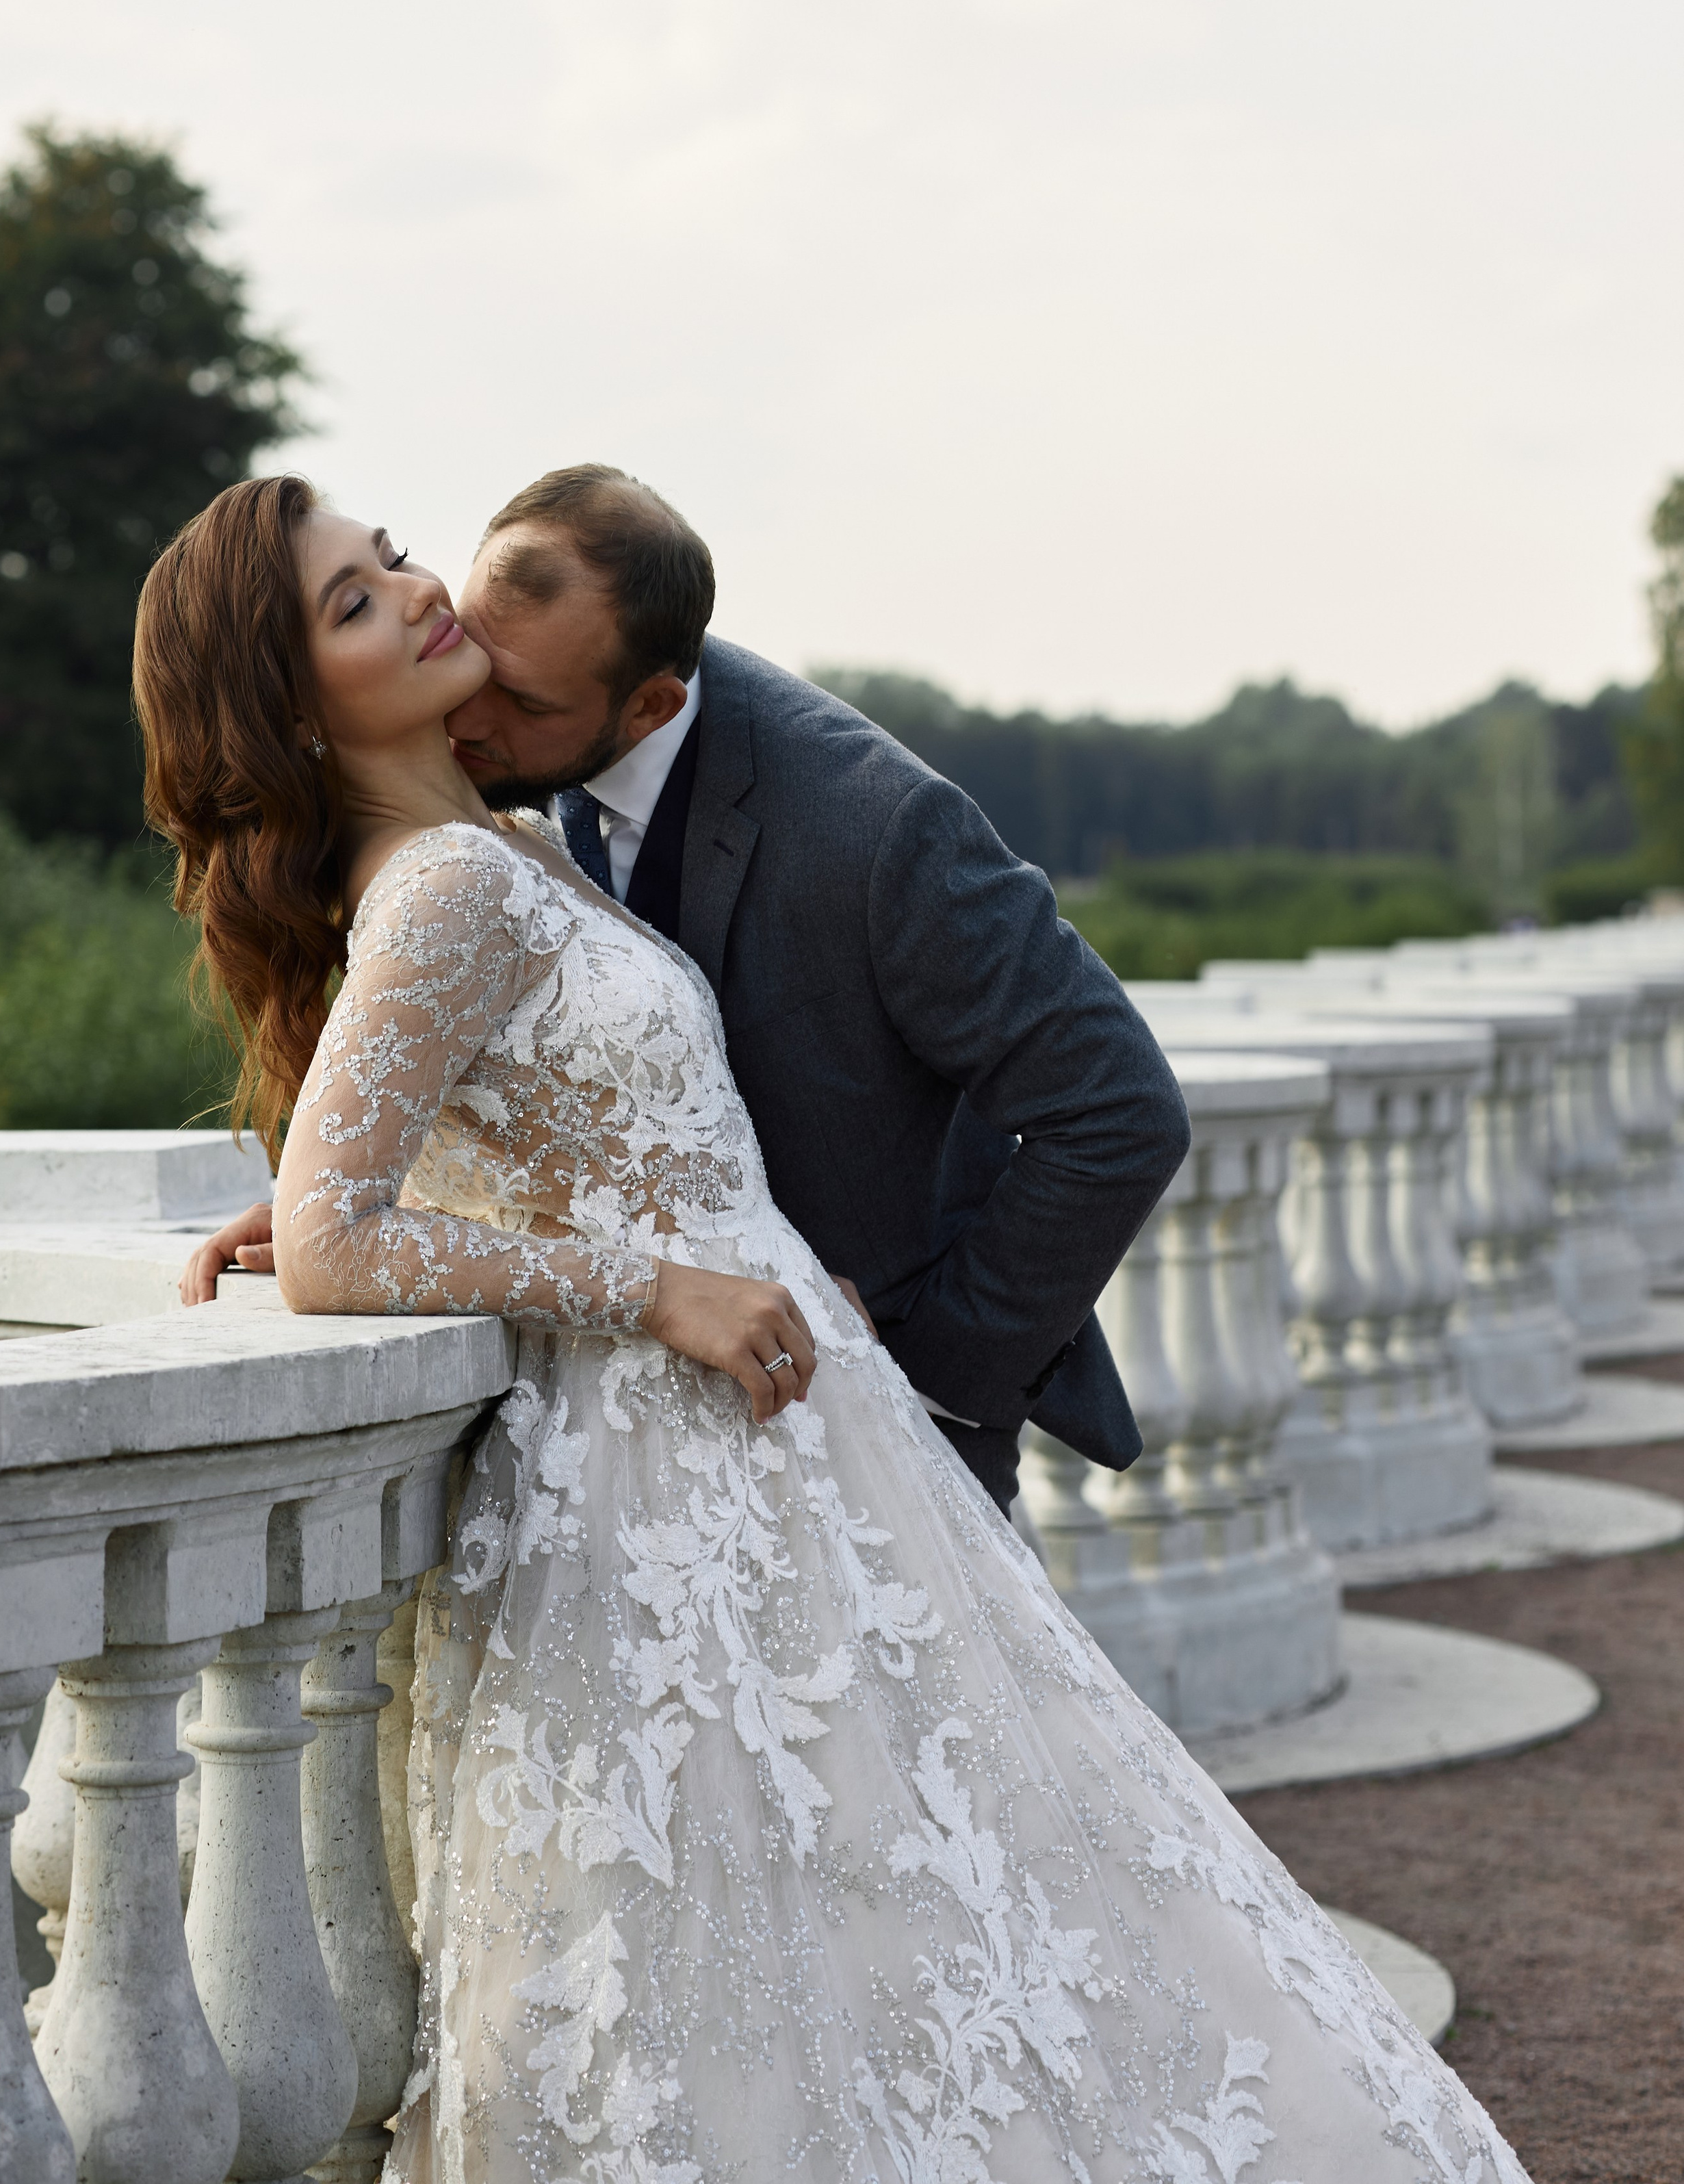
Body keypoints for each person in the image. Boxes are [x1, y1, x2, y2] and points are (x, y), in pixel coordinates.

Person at [140, 475, 1529, 2184]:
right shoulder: (444, 879)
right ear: (288, 702)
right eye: (357, 603)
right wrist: (643, 1282)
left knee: (946, 1918)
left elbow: (519, 1120)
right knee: (780, 1949)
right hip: (672, 1476)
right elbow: (351, 1240)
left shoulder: (520, 837)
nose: (425, 603)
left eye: (391, 557)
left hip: (803, 1443)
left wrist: (460, 1192)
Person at [185, 463, 1189, 1513]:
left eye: (517, 700)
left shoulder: (876, 828)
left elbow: (1119, 1109)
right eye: (472, 649)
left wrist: (917, 1365)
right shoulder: (495, 813)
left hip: (880, 1421)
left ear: (649, 704)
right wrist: (401, 1174)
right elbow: (557, 1083)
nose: (471, 709)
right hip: (647, 1458)